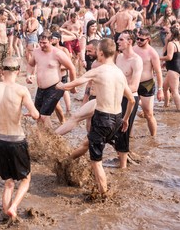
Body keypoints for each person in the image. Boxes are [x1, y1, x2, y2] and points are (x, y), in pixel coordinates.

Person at [56, 38, 135, 195]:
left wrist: (60, 85)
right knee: (88, 143)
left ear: (100, 53)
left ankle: (104, 195)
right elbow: (131, 100)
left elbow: (73, 84)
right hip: (117, 118)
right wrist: (125, 119)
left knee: (96, 162)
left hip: (102, 118)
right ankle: (65, 162)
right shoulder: (120, 73)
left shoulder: (98, 71)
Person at [0, 56, 39, 221]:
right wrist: (27, 112)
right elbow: (36, 115)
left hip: (0, 140)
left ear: (1, 71)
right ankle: (13, 207)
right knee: (26, 179)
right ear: (18, 71)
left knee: (8, 182)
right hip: (17, 139)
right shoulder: (21, 90)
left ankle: (6, 213)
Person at [26, 31, 76, 127]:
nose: (41, 45)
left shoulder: (58, 53)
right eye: (40, 42)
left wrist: (72, 86)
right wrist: (28, 75)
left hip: (55, 87)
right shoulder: (36, 51)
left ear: (51, 41)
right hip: (41, 89)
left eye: (44, 43)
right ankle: (42, 139)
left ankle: (53, 139)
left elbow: (72, 68)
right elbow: (30, 64)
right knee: (38, 115)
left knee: (44, 116)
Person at [115, 30, 143, 168]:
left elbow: (134, 86)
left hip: (129, 99)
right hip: (116, 97)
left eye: (121, 40)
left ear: (129, 42)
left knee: (123, 131)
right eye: (118, 39)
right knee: (112, 128)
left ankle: (123, 167)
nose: (117, 42)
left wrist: (115, 91)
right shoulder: (119, 57)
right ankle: (121, 155)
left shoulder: (136, 60)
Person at [133, 28, 163, 136]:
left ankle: (153, 137)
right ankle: (129, 137)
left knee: (149, 114)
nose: (138, 41)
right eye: (137, 38)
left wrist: (160, 90)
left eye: (141, 39)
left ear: (148, 39)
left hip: (147, 84)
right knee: (130, 112)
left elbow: (159, 72)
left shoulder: (152, 53)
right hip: (134, 84)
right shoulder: (133, 49)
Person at [160, 26, 180, 110]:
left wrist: (158, 58)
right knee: (165, 87)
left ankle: (179, 109)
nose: (166, 35)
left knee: (175, 91)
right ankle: (166, 104)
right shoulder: (178, 43)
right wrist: (165, 64)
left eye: (167, 33)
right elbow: (177, 56)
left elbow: (169, 57)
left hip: (173, 69)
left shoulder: (171, 43)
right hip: (176, 68)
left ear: (172, 34)